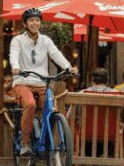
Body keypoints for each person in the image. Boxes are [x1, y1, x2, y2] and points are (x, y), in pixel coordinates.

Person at [9, 8, 77, 155]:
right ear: (25, 24)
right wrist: (15, 67)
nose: (35, 23)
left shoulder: (45, 40)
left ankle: (48, 141)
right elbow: (14, 55)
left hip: (41, 83)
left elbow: (56, 54)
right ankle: (25, 142)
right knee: (30, 105)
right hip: (22, 82)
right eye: (31, 20)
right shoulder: (17, 40)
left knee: (53, 110)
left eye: (37, 20)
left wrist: (68, 67)